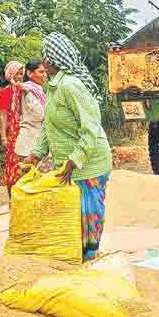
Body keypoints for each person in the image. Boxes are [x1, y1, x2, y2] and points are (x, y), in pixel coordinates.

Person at [23, 33, 113, 261]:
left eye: (45, 56)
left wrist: (74, 160)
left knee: (88, 216)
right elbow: (48, 125)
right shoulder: (52, 87)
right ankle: (77, 258)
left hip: (89, 165)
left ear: (53, 59)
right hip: (69, 166)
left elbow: (91, 126)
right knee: (71, 217)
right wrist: (36, 154)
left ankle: (90, 259)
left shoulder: (71, 86)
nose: (43, 61)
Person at [0, 61, 26, 196]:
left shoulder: (25, 90)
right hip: (12, 132)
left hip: (25, 129)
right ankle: (12, 196)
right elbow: (3, 116)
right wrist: (3, 137)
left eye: (21, 74)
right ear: (10, 74)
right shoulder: (4, 93)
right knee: (12, 162)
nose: (19, 77)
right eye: (17, 73)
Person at [13, 58, 47, 163]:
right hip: (29, 142)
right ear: (29, 73)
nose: (45, 75)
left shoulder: (37, 90)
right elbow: (41, 115)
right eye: (41, 72)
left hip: (35, 141)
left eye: (45, 71)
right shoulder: (28, 91)